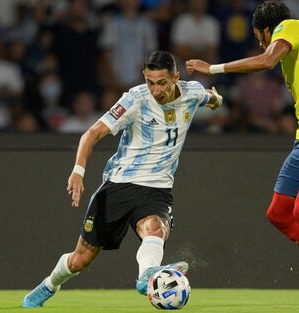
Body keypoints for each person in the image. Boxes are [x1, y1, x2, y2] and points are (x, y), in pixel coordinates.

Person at [186, 1, 299, 311]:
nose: (261, 41)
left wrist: (213, 68)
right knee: (279, 212)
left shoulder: (292, 28)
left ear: (264, 30)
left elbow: (264, 60)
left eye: (259, 35)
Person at [22, 50, 223, 308]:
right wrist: (78, 171)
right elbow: (91, 134)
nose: (156, 89)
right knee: (80, 260)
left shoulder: (192, 92)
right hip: (120, 185)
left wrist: (216, 98)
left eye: (162, 83)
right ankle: (49, 285)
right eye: (150, 82)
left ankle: (146, 277)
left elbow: (211, 98)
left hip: (158, 188)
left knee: (156, 229)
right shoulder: (134, 99)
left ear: (176, 77)